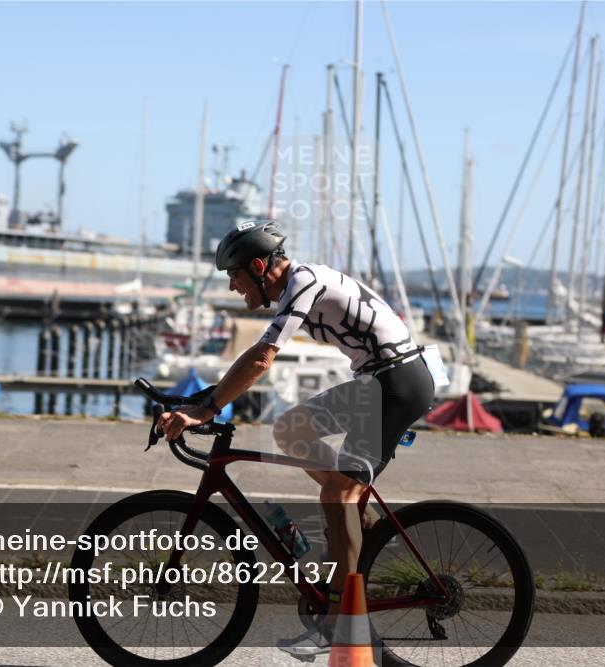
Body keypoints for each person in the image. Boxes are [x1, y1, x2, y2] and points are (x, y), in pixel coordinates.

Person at [157, 219, 435, 657]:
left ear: (260, 266)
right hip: (380, 382)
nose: (233, 288)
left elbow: (263, 356)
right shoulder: (300, 283)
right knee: (291, 428)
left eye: (235, 277)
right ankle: (358, 525)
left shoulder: (303, 282)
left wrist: (209, 408)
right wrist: (200, 398)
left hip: (396, 384)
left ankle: (339, 623)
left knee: (338, 494)